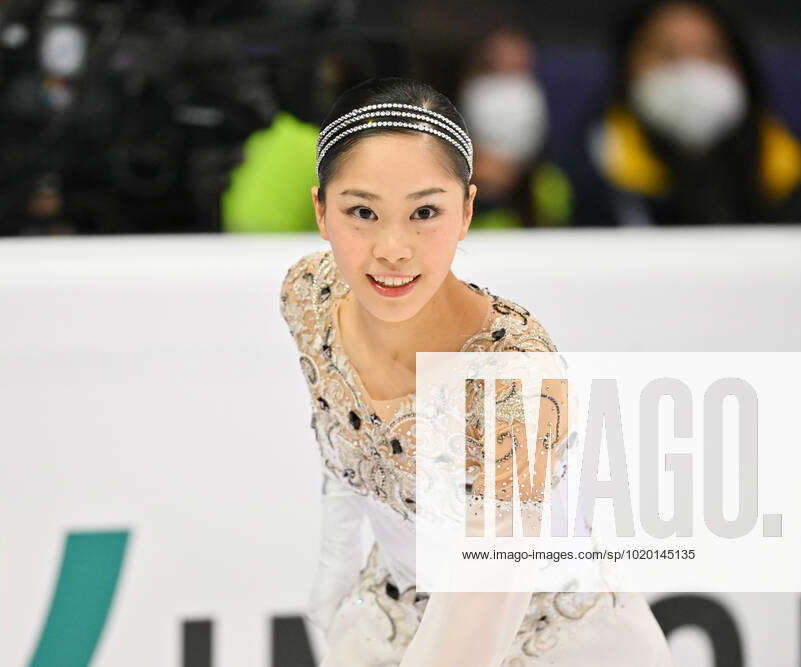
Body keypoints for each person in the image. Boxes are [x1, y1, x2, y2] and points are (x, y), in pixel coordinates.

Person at [279, 76, 673, 665]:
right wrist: (334, 573)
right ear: (321, 210)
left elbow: (492, 589)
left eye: (425, 212)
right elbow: (343, 445)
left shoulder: (511, 372)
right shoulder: (309, 297)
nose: (393, 247)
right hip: (388, 617)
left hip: (549, 638)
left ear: (466, 211)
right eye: (362, 211)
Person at [565, 0, 801, 226]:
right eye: (666, 53)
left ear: (742, 70)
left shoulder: (791, 168)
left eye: (711, 53)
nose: (690, 70)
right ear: (626, 68)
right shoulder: (585, 174)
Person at [406, 2, 573, 229]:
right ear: (463, 80)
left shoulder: (552, 186)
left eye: (520, 71)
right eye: (492, 69)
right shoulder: (423, 181)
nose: (509, 89)